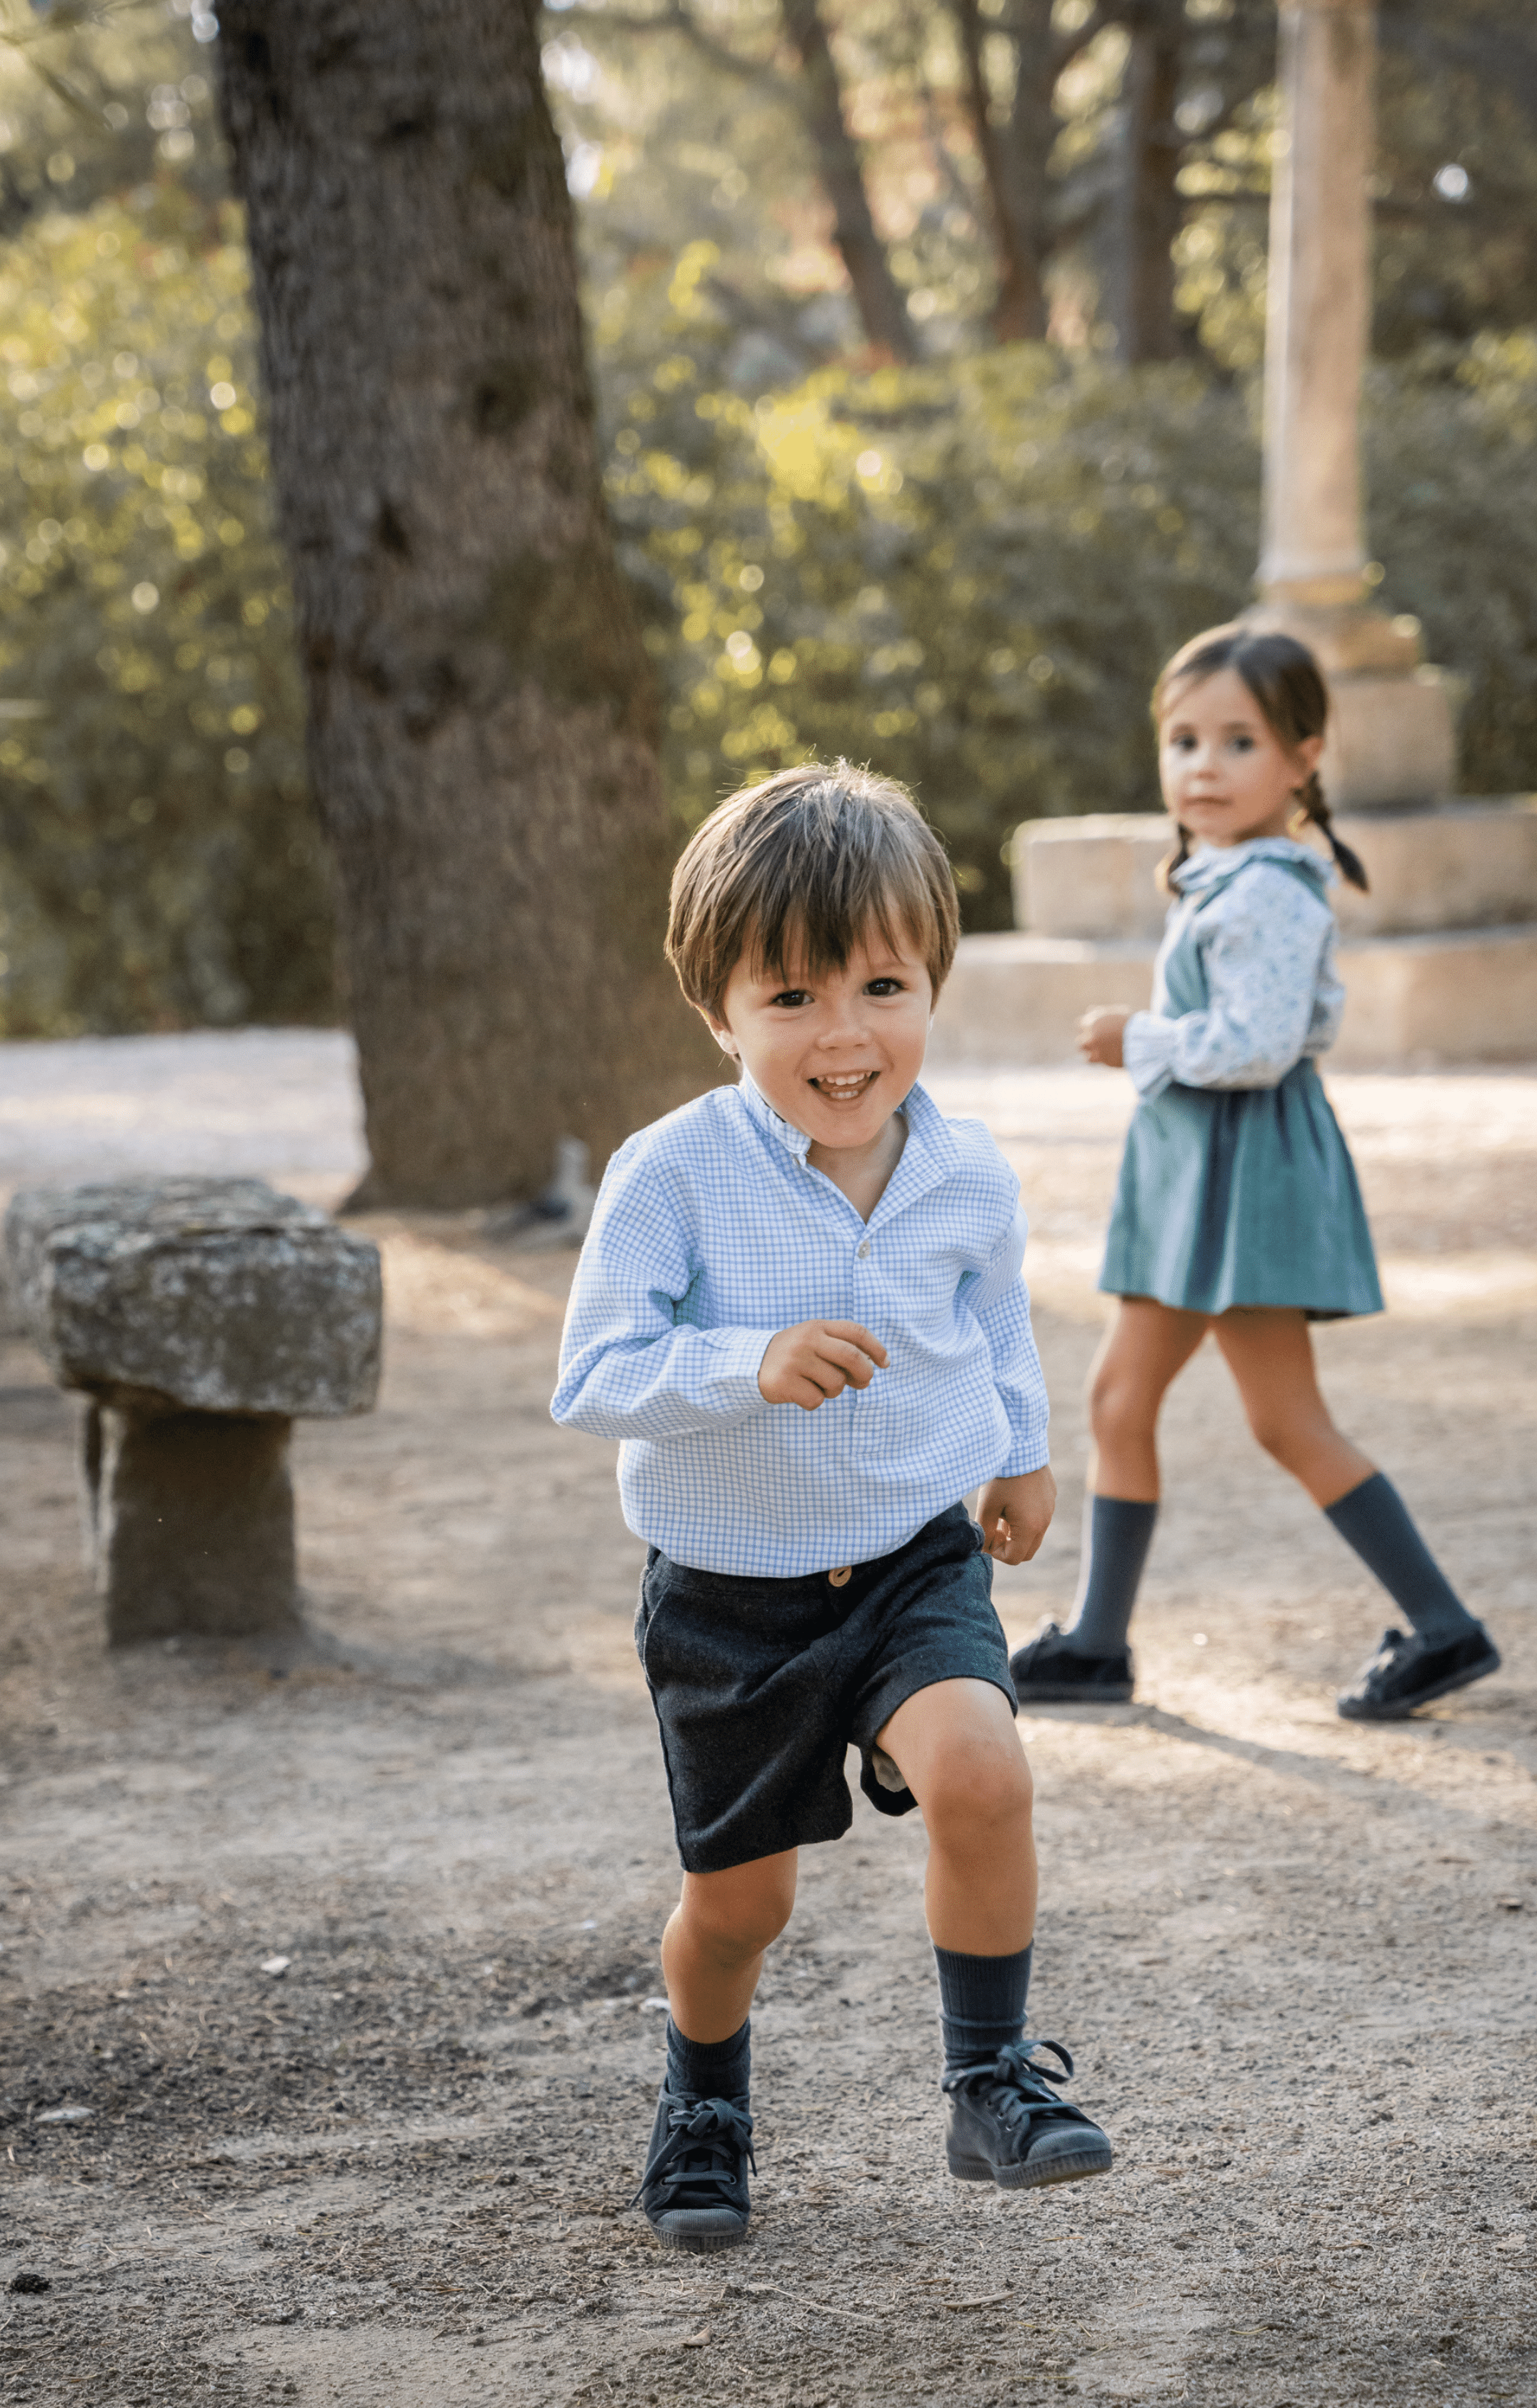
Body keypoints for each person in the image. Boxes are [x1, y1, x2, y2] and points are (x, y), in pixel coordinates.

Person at [552, 761, 1113, 2254]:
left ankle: (988, 2077)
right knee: (741, 1911)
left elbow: (992, 1321)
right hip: (730, 1596)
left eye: (881, 983)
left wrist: (1020, 1448)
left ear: (933, 978)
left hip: (911, 1562)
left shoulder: (965, 1169)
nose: (844, 1033)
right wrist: (747, 1361)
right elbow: (594, 1373)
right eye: (790, 997)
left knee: (984, 1775)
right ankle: (704, 2099)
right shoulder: (669, 1174)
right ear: (716, 1009)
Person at [1009, 624, 1501, 1724]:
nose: (1203, 766)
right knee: (1119, 1396)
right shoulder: (1229, 876)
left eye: (1238, 741)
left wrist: (1139, 1037)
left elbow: (1260, 1043)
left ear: (1305, 757)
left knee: (1281, 1419)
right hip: (1198, 1174)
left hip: (1245, 1177)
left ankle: (1443, 1627)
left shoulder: (1274, 889)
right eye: (1184, 740)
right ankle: (1097, 1641)